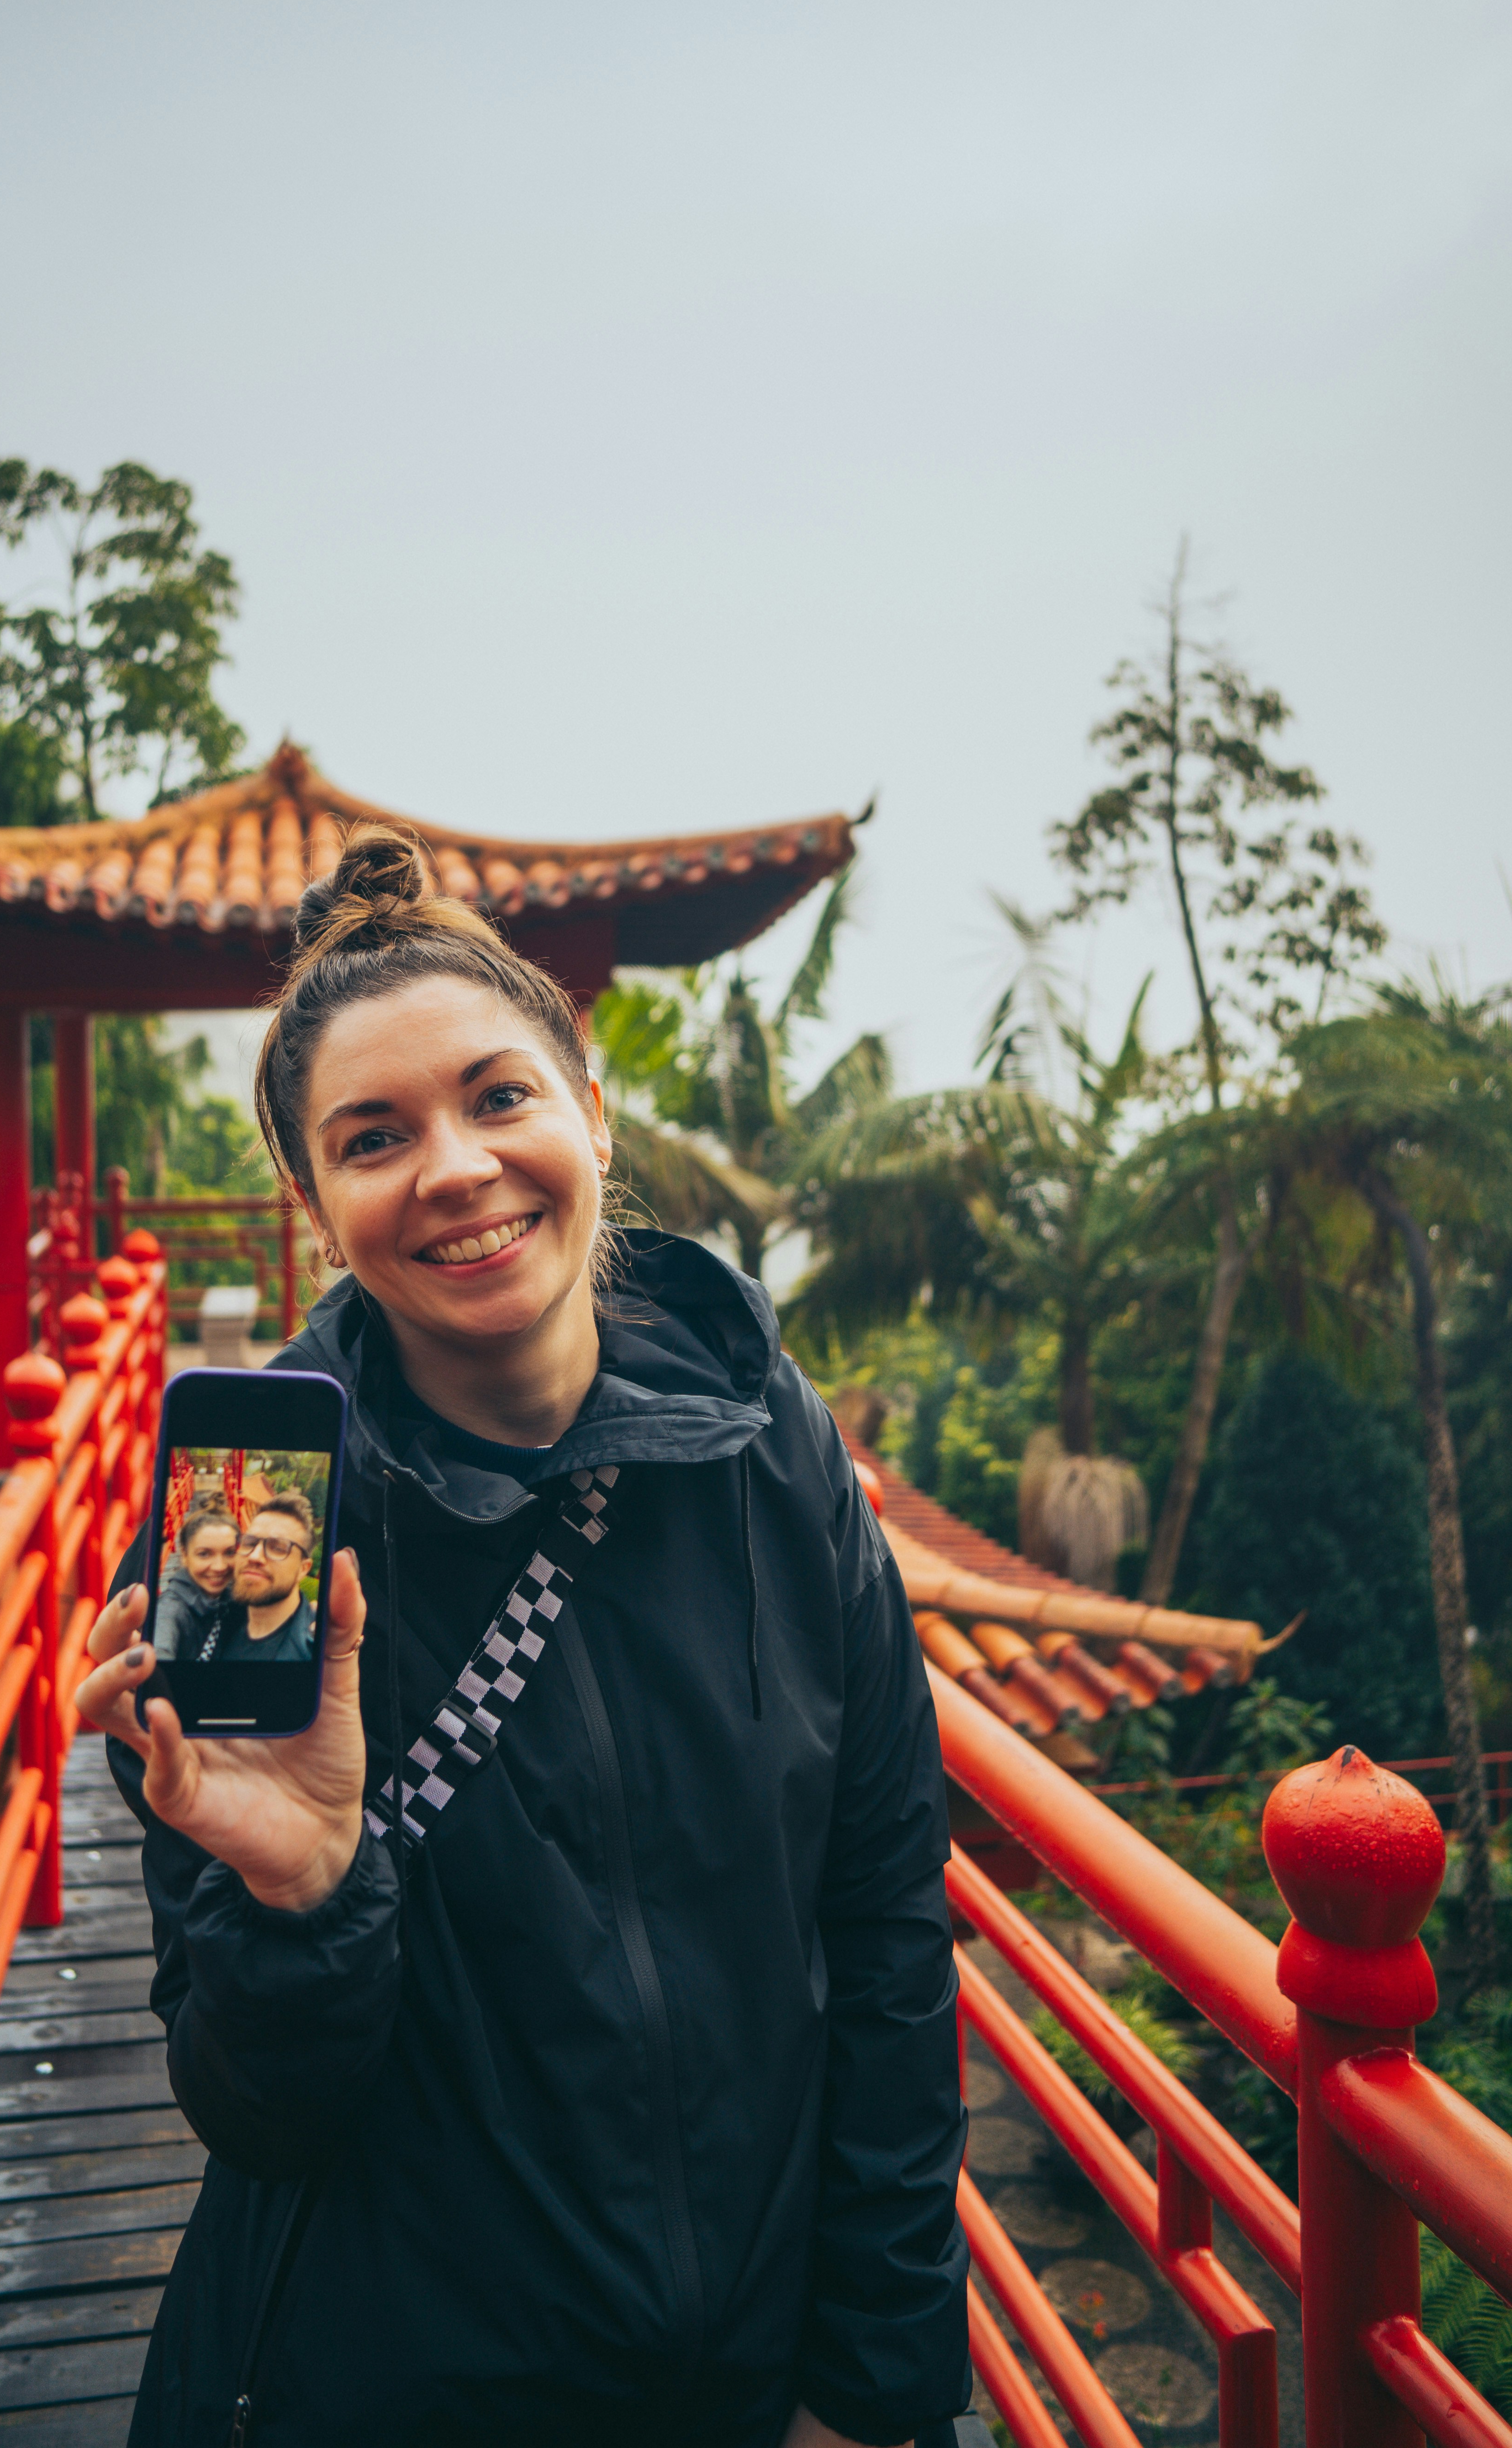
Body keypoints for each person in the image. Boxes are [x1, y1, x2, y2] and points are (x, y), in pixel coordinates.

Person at [78, 824, 969, 2448]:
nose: (455, 1168)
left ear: (592, 1116)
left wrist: (872, 2382)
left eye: (500, 1096)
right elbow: (255, 2117)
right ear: (315, 1204)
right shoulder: (254, 1524)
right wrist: (300, 1896)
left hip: (758, 2378)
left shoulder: (773, 1444)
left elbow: (887, 1923)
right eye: (373, 1136)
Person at [219, 1488, 317, 1664]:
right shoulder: (221, 1615)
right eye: (249, 1543)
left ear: (303, 1569)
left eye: (277, 1548)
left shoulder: (310, 1651)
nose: (255, 1556)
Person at [154, 1497, 241, 1662]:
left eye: (230, 1553)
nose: (220, 1567)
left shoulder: (232, 1599)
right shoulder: (171, 1609)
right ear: (185, 1555)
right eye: (204, 1554)